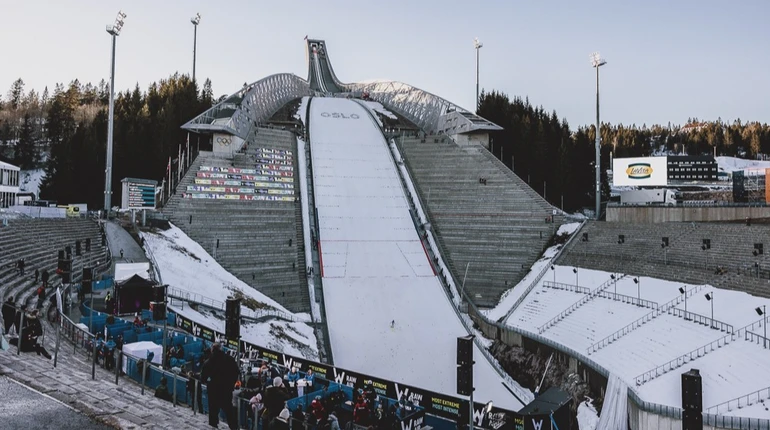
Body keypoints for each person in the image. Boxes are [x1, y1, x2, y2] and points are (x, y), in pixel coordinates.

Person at [201, 342, 239, 430]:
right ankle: (234, 427)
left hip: (213, 391)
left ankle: (213, 426)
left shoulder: (209, 362)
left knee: (213, 412)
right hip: (226, 391)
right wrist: (231, 384)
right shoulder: (230, 359)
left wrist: (208, 382)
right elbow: (236, 372)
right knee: (229, 412)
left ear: (212, 350)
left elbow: (203, 378)